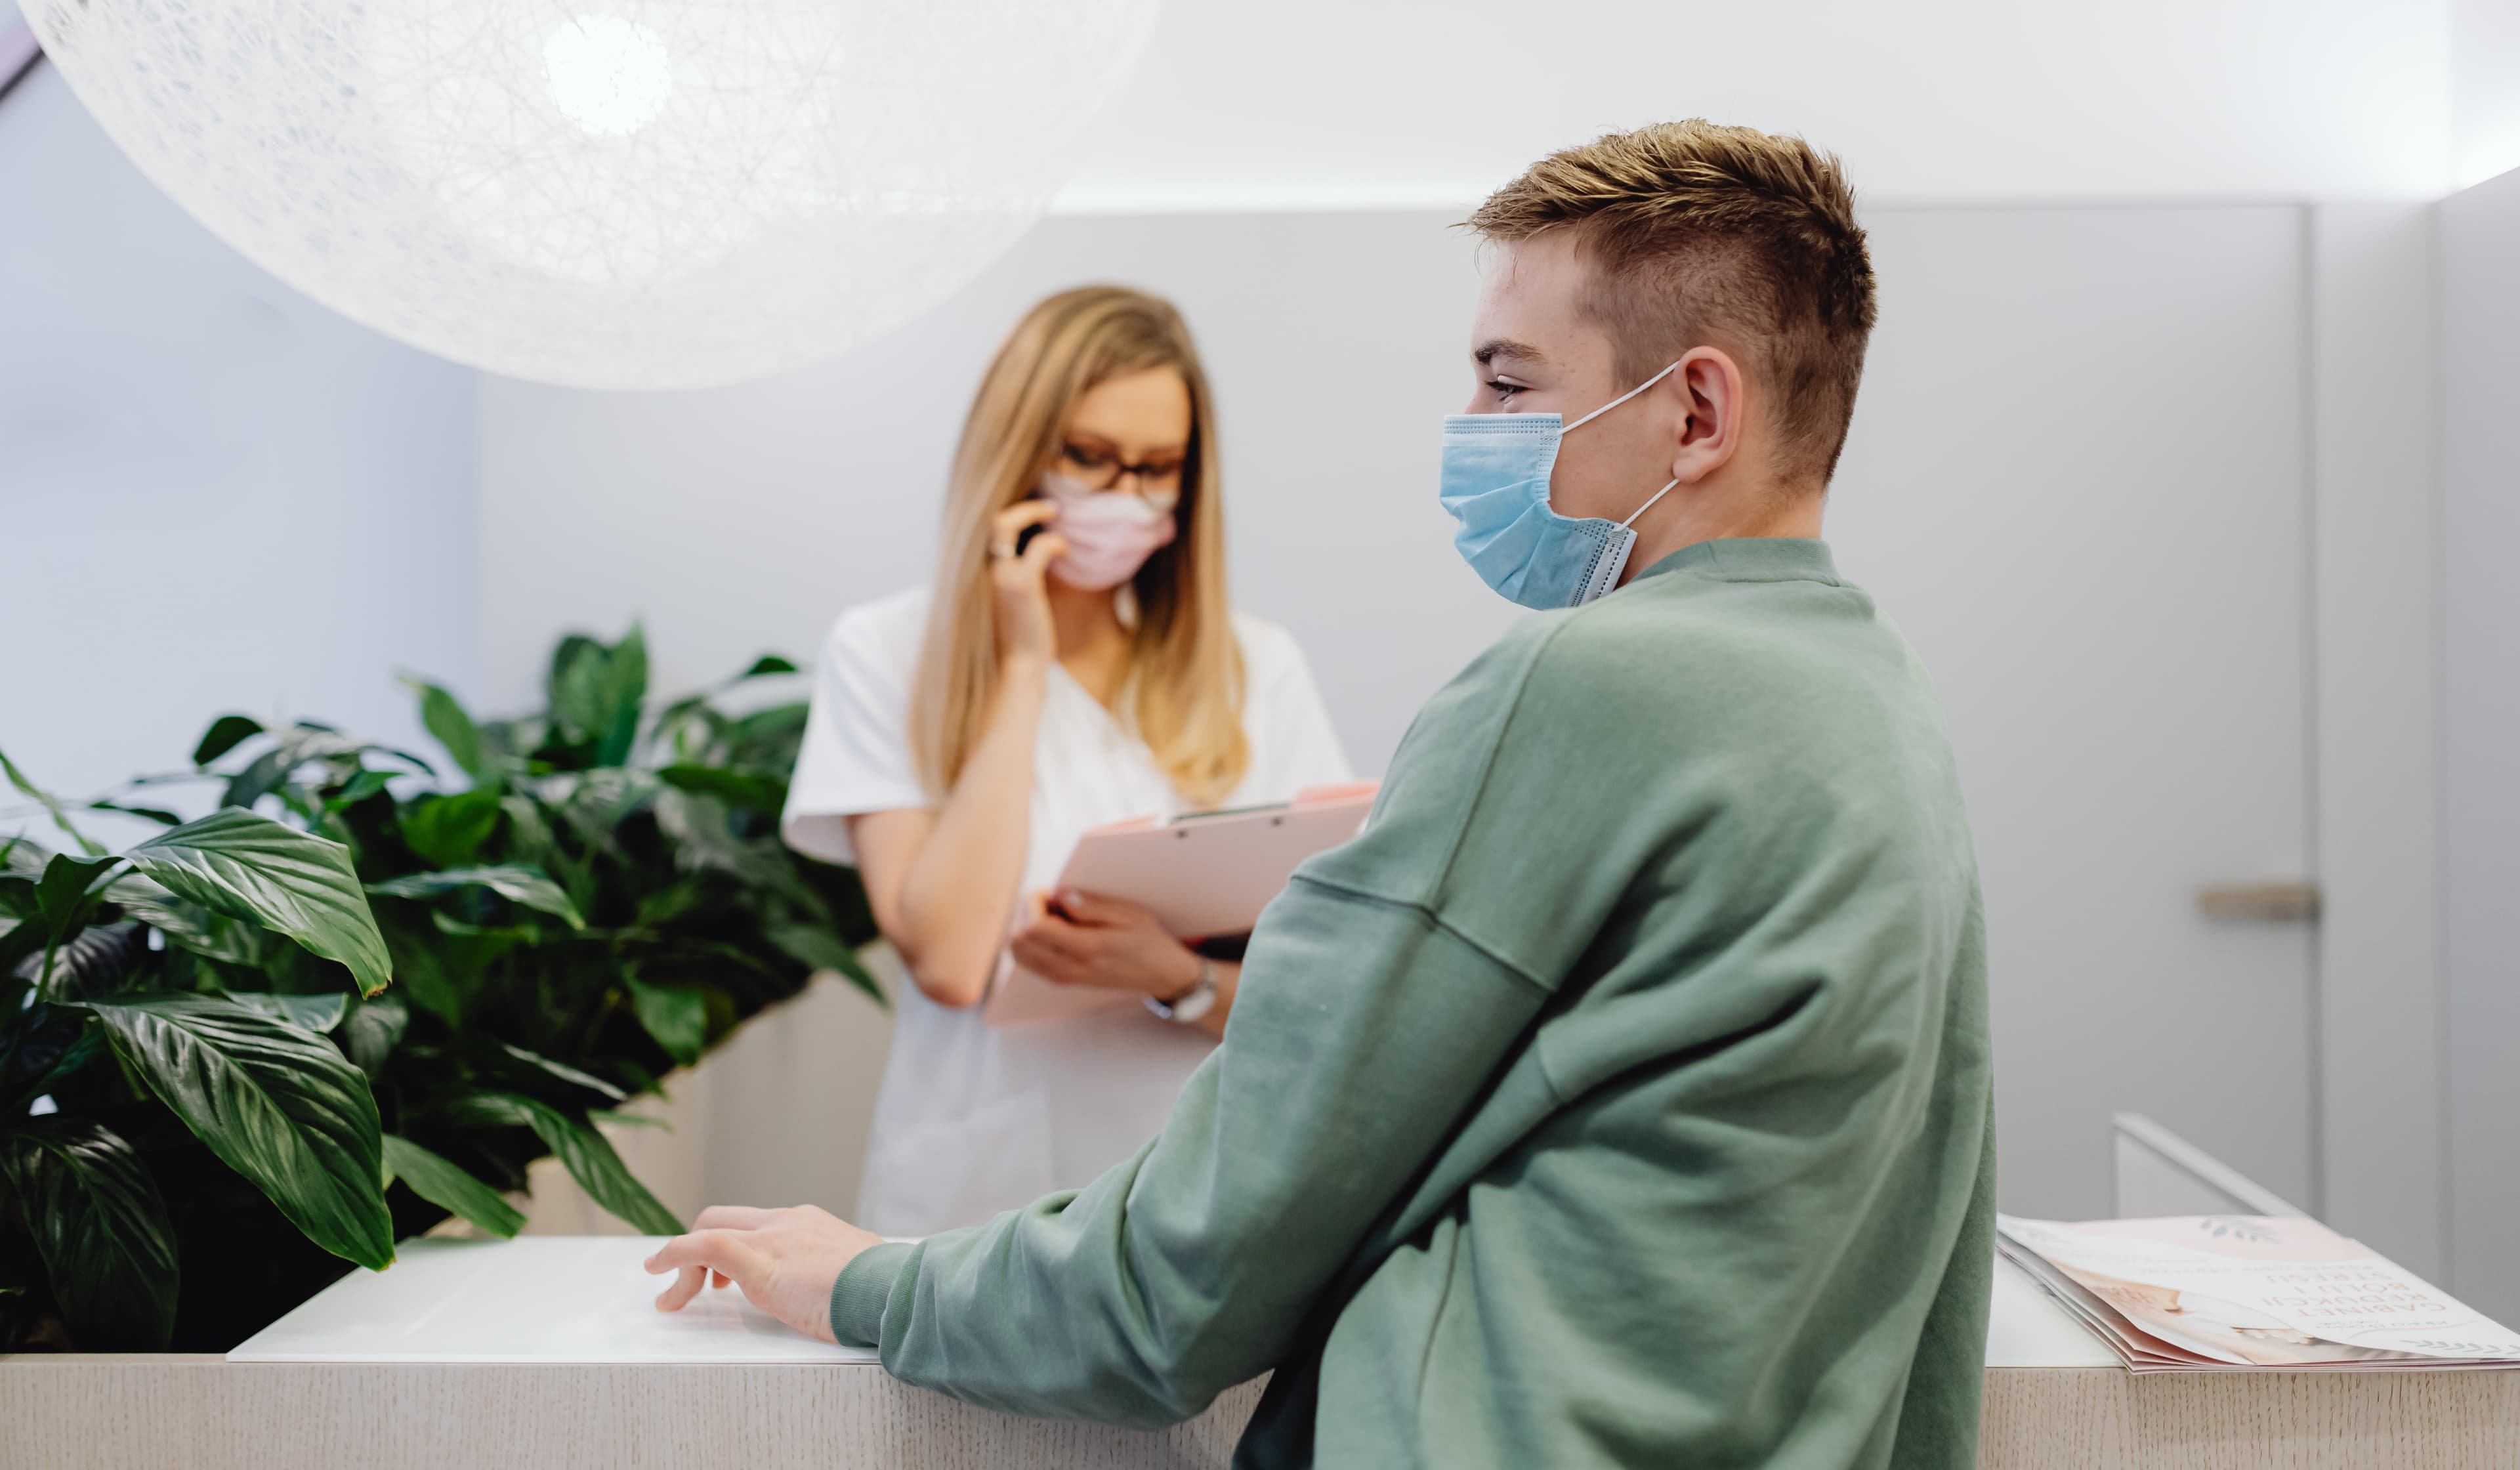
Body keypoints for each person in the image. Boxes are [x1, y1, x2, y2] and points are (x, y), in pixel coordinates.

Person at [658, 121, 1997, 1470]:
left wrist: (864, 1281)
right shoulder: (1882, 702)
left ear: (1697, 413)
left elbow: (1193, 1269)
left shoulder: (1569, 684)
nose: (1474, 432)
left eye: (1508, 383)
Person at [778, 285, 1353, 1238]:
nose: (1124, 497)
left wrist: (1173, 975)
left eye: (1158, 468)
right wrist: (1024, 665)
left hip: (1200, 1193)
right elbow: (955, 962)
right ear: (1018, 450)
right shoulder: (884, 652)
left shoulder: (1257, 667)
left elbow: (1326, 991)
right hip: (979, 1199)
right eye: (1088, 457)